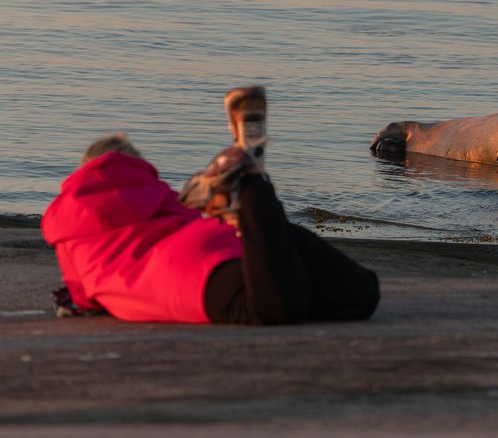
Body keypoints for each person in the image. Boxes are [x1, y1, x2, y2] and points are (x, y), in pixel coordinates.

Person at [42, 87, 379, 325]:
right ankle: (246, 199)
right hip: (228, 250)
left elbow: (82, 299)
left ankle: (250, 181)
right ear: (138, 168)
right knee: (362, 297)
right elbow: (194, 216)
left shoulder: (69, 229)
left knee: (275, 309)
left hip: (201, 283)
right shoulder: (156, 197)